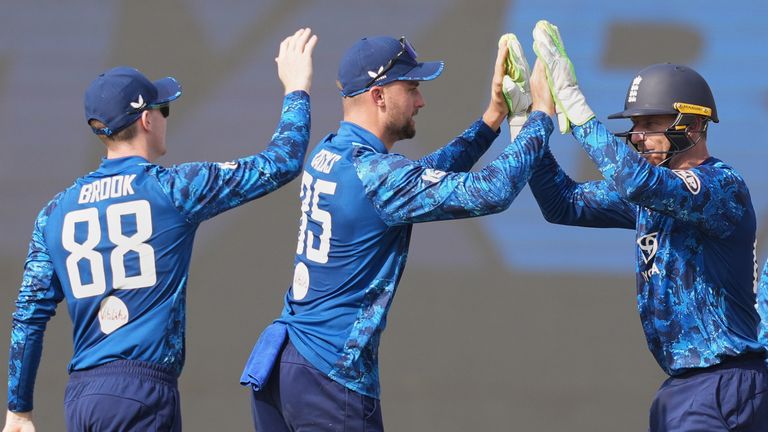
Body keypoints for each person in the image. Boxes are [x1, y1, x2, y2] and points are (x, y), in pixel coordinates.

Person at [3, 28, 317, 432]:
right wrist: (296, 89)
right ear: (147, 119)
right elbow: (282, 162)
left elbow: (28, 316)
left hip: (81, 398)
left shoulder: (54, 213)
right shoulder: (173, 190)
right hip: (142, 391)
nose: (166, 117)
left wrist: (19, 409)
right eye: (163, 109)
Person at [241, 33, 554, 431]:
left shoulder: (331, 150)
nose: (420, 101)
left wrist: (491, 119)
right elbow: (492, 191)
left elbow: (417, 179)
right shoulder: (376, 175)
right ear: (379, 96)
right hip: (329, 378)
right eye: (411, 89)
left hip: (283, 366)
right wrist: (540, 117)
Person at [528, 20, 768, 431]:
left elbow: (639, 183)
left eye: (651, 124)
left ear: (693, 125)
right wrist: (528, 125)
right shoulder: (650, 193)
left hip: (722, 381)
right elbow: (561, 203)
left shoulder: (721, 185)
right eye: (635, 125)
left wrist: (576, 107)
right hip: (689, 386)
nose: (638, 136)